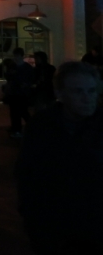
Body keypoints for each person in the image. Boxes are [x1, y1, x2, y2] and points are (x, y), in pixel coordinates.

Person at [16, 61, 103, 254]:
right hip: (53, 226)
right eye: (78, 92)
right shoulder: (41, 126)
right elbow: (27, 174)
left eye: (91, 91)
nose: (87, 98)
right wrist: (31, 217)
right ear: (60, 94)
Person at [5, 47, 34, 138]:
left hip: (21, 93)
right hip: (15, 92)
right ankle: (17, 129)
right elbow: (8, 77)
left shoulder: (25, 67)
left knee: (22, 111)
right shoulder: (15, 66)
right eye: (15, 56)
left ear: (21, 56)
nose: (16, 58)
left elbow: (32, 79)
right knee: (15, 112)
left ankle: (21, 128)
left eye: (17, 56)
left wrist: (26, 85)